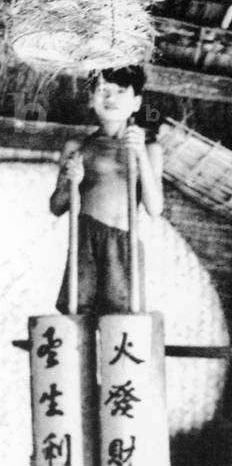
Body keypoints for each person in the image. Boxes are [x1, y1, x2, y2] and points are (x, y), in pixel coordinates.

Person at [50, 65, 163, 314]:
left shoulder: (149, 149)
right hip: (83, 240)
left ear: (136, 102)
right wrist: (72, 183)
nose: (110, 98)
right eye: (103, 90)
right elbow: (56, 207)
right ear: (91, 99)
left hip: (124, 241)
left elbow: (155, 209)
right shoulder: (77, 146)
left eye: (121, 91)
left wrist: (141, 156)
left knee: (122, 321)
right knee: (77, 315)